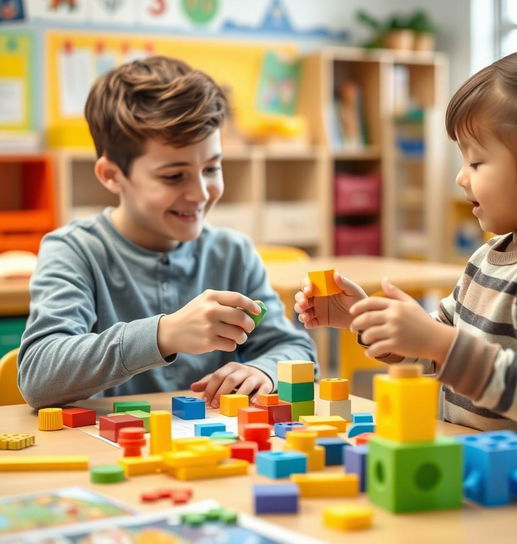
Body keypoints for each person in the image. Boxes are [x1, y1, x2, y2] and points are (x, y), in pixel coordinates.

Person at [296, 12, 517, 461]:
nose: (461, 178)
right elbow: (441, 356)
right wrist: (368, 319)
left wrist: (439, 343)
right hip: (486, 470)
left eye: (476, 163)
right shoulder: (489, 258)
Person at [19, 56, 316, 409]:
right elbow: (38, 376)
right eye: (174, 176)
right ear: (112, 175)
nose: (201, 193)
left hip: (214, 450)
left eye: (211, 168)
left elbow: (295, 350)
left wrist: (265, 370)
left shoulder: (232, 252)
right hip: (112, 453)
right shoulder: (74, 250)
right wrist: (164, 334)